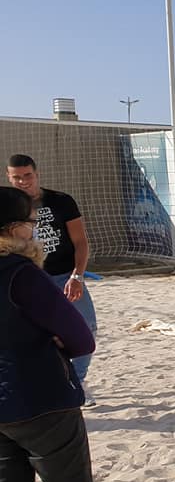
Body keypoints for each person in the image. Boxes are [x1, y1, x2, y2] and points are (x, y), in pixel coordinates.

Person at [0, 186, 98, 482]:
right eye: (29, 223)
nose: (33, 231)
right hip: (41, 401)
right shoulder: (22, 275)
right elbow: (80, 336)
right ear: (14, 230)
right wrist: (52, 340)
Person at [6, 155, 97, 404]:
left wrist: (77, 276)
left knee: (85, 327)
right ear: (8, 177)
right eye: (17, 177)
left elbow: (80, 242)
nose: (23, 181)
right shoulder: (7, 206)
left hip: (62, 277)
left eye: (28, 176)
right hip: (24, 279)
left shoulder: (61, 201)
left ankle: (76, 380)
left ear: (37, 174)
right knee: (30, 336)